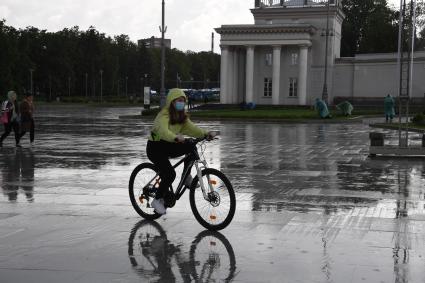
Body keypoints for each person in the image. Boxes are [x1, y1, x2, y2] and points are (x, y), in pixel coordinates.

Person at [147, 88, 215, 215]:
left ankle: (186, 177)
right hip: (155, 148)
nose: (182, 103)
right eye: (179, 101)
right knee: (170, 174)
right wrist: (175, 137)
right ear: (172, 102)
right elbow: (162, 131)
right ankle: (157, 200)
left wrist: (206, 134)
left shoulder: (181, 117)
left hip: (169, 145)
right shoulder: (164, 115)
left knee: (191, 146)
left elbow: (193, 129)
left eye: (183, 101)